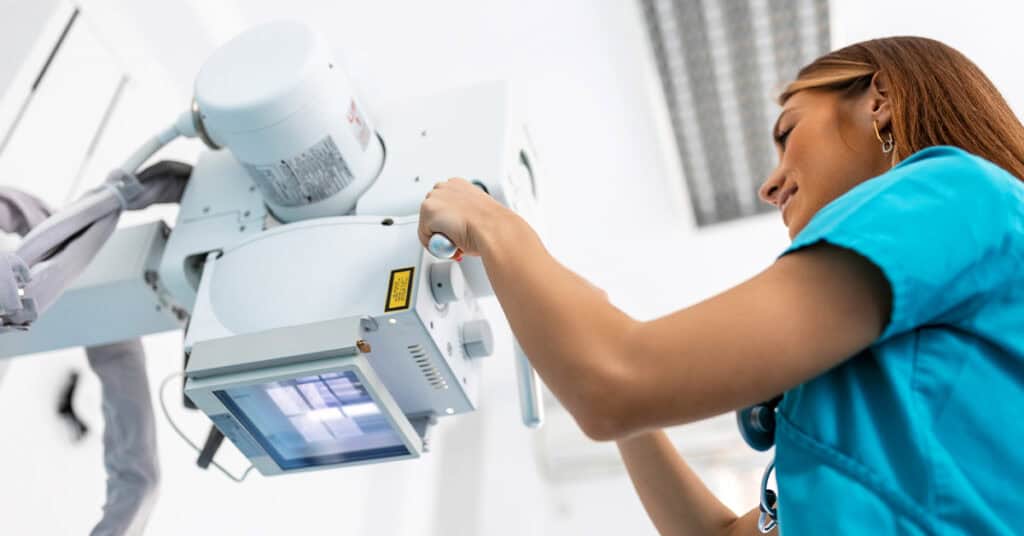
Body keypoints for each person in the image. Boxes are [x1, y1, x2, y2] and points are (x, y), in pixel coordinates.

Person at [418, 36, 1024, 535]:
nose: (769, 184)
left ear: (880, 100)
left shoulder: (958, 191)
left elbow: (615, 380)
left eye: (787, 133)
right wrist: (587, 324)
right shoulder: (891, 388)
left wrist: (493, 223)